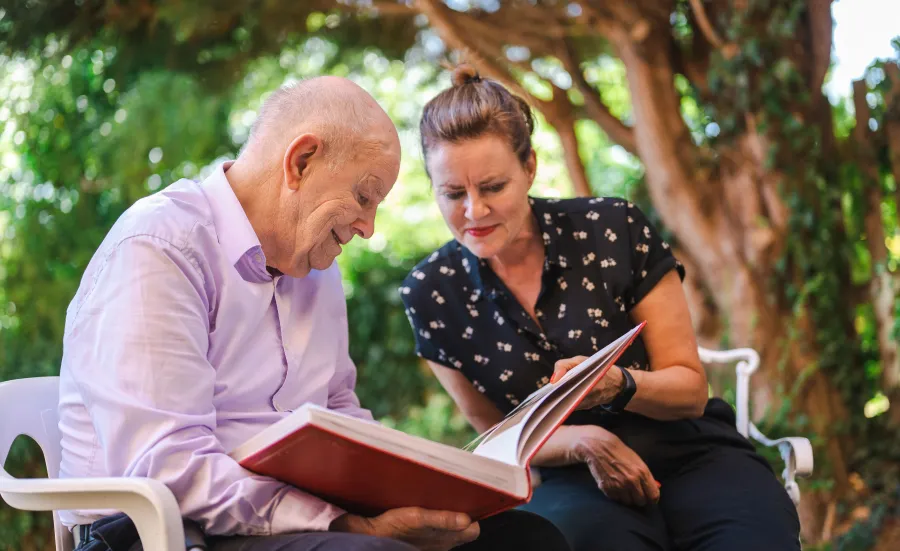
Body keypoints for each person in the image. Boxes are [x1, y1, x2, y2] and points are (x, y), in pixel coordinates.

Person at [57, 76, 571, 551]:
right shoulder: (161, 245)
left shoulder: (315, 267)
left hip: (287, 517)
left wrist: (414, 489)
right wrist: (345, 523)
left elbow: (339, 412)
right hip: (158, 530)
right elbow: (167, 466)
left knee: (526, 539)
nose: (368, 227)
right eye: (363, 196)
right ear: (301, 161)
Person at [399, 65, 802, 551]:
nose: (474, 212)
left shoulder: (611, 225)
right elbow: (494, 433)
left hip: (694, 454)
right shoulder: (430, 291)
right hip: (574, 481)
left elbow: (690, 390)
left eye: (492, 187)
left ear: (529, 167)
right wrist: (587, 440)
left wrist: (616, 384)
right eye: (453, 193)